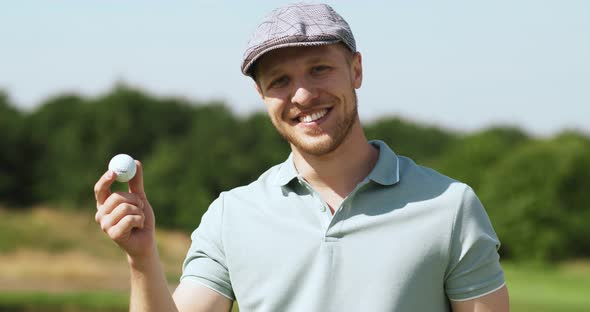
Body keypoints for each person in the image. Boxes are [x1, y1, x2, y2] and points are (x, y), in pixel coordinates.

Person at [94, 3, 509, 311]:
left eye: (319, 69)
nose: (304, 95)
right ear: (262, 96)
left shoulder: (450, 206)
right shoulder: (231, 214)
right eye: (280, 80)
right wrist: (143, 257)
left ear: (356, 70)